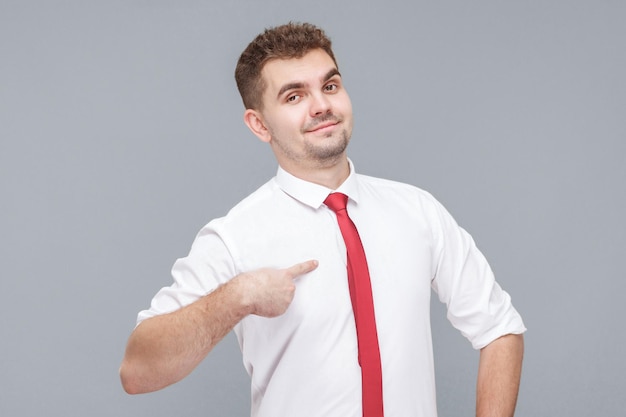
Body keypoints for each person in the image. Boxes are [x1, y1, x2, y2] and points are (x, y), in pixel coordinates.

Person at [120, 22, 526, 417]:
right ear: (259, 124)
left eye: (329, 86)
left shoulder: (417, 210)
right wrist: (236, 297)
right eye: (294, 97)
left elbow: (499, 327)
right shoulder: (235, 236)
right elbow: (138, 372)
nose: (322, 106)